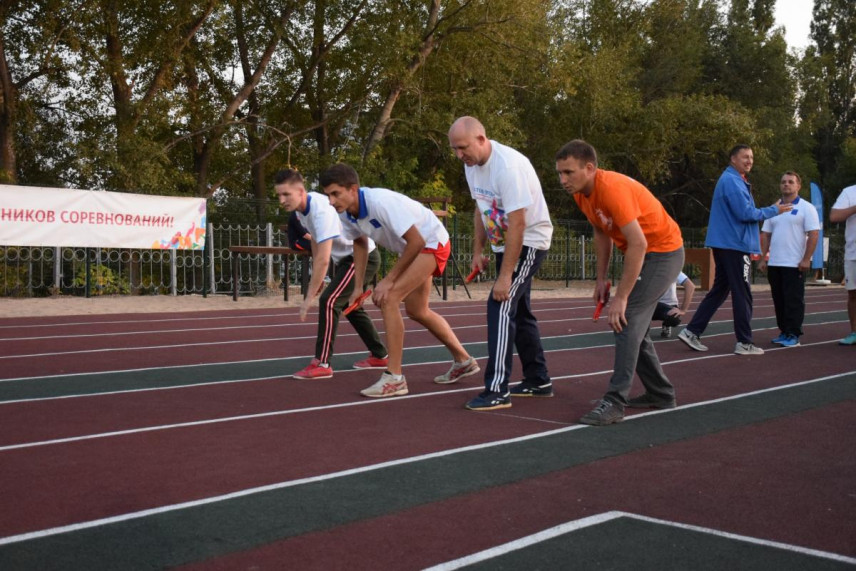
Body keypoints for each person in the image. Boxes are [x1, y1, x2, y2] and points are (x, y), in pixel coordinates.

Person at [320, 163, 480, 397]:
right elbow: (360, 243)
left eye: (336, 193)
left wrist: (388, 280)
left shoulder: (380, 203)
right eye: (328, 196)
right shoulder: (345, 214)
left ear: (353, 189)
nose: (332, 201)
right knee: (417, 311)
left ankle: (394, 377)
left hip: (431, 243)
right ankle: (464, 360)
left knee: (390, 298)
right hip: (416, 249)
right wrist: (357, 287)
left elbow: (416, 242)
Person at [556, 139, 684, 426]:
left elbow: (638, 244)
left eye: (568, 172)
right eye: (560, 173)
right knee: (633, 327)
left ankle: (615, 402)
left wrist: (621, 297)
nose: (563, 180)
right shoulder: (581, 193)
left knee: (624, 319)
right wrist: (601, 279)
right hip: (645, 252)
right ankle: (661, 393)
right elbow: (601, 233)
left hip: (663, 252)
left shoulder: (612, 189)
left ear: (589, 168)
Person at [448, 116, 554, 411]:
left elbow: (518, 223)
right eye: (455, 149)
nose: (460, 155)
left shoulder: (508, 166)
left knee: (500, 304)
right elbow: (480, 206)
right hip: (503, 244)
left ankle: (497, 390)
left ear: (481, 139)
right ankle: (538, 379)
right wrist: (478, 251)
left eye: (463, 148)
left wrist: (505, 276)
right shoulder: (471, 166)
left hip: (529, 242)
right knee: (519, 312)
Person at [677, 145, 792, 355]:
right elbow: (745, 213)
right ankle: (744, 342)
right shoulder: (731, 181)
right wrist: (774, 210)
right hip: (735, 246)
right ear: (733, 159)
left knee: (720, 290)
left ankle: (692, 331)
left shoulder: (736, 180)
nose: (749, 160)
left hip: (728, 243)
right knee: (743, 293)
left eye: (751, 157)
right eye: (745, 157)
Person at [273, 169, 389, 379]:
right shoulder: (301, 211)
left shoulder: (320, 210)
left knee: (329, 301)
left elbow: (324, 259)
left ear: (300, 191)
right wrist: (316, 283)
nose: (282, 200)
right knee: (348, 306)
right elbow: (317, 244)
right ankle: (380, 355)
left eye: (286, 194)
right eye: (279, 195)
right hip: (346, 259)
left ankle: (322, 363)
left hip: (361, 256)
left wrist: (310, 296)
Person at [759, 171, 820, 347]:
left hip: (794, 264)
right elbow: (766, 234)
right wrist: (763, 259)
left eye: (790, 182)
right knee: (779, 300)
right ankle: (784, 331)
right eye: (783, 182)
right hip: (775, 263)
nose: (786, 184)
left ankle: (793, 334)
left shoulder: (806, 208)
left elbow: (814, 234)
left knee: (793, 300)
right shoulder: (774, 208)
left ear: (798, 186)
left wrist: (806, 259)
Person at [830, 183, 856, 345]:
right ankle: (854, 332)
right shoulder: (849, 192)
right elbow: (834, 217)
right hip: (853, 253)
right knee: (853, 294)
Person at [654, 272, 696, 338]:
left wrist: (683, 310)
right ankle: (643, 330)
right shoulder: (645, 268)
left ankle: (666, 324)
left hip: (669, 304)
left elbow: (690, 286)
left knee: (674, 318)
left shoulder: (673, 269)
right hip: (650, 304)